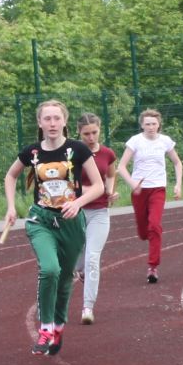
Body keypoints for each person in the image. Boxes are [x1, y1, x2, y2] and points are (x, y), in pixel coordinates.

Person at [2, 100, 106, 356]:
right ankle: (46, 327)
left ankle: (58, 326)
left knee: (64, 278)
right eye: (46, 119)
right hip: (41, 220)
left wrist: (78, 203)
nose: (51, 123)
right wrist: (11, 207)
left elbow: (98, 186)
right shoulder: (32, 152)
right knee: (50, 269)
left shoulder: (78, 149)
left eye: (56, 118)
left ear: (64, 122)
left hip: (71, 223)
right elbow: (11, 175)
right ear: (39, 122)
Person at [118, 109, 183, 284]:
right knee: (143, 232)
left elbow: (177, 163)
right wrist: (133, 183)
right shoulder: (135, 141)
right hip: (139, 190)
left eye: (154, 124)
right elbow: (121, 166)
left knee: (154, 225)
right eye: (147, 124)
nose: (150, 127)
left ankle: (153, 267)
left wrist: (178, 185)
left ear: (159, 124)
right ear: (142, 125)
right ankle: (148, 234)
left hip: (158, 188)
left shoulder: (165, 141)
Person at [73, 114, 117, 325]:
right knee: (77, 260)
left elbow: (110, 176)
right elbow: (68, 185)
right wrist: (92, 189)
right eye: (86, 134)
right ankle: (78, 269)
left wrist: (111, 192)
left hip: (99, 212)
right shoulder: (71, 153)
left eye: (94, 132)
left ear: (100, 130)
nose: (91, 137)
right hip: (75, 212)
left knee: (92, 258)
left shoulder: (107, 153)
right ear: (79, 133)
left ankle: (87, 307)